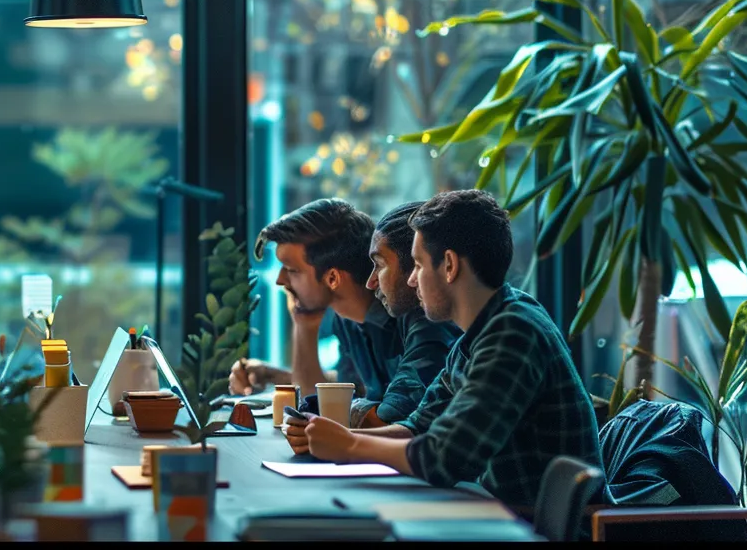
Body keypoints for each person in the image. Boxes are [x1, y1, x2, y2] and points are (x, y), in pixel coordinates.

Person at [282, 189, 601, 512]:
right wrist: (334, 435)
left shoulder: (514, 331)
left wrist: (350, 445)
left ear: (448, 265)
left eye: (418, 265)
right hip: (493, 512)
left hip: (529, 527)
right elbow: (416, 428)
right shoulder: (474, 337)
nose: (411, 281)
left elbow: (443, 458)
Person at [229, 199, 458, 428]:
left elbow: (385, 417)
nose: (280, 280)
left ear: (332, 278)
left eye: (291, 270)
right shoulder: (348, 321)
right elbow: (346, 390)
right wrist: (277, 375)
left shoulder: (421, 315)